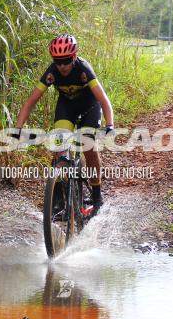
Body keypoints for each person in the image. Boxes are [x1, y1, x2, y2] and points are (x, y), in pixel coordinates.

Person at [13, 34, 114, 213]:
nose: (62, 66)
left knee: (88, 146)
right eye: (57, 61)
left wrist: (110, 125)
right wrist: (17, 129)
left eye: (66, 61)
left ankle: (97, 194)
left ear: (74, 57)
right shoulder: (52, 72)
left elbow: (104, 100)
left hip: (90, 107)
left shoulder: (84, 69)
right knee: (59, 146)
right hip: (67, 107)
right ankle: (58, 195)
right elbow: (31, 101)